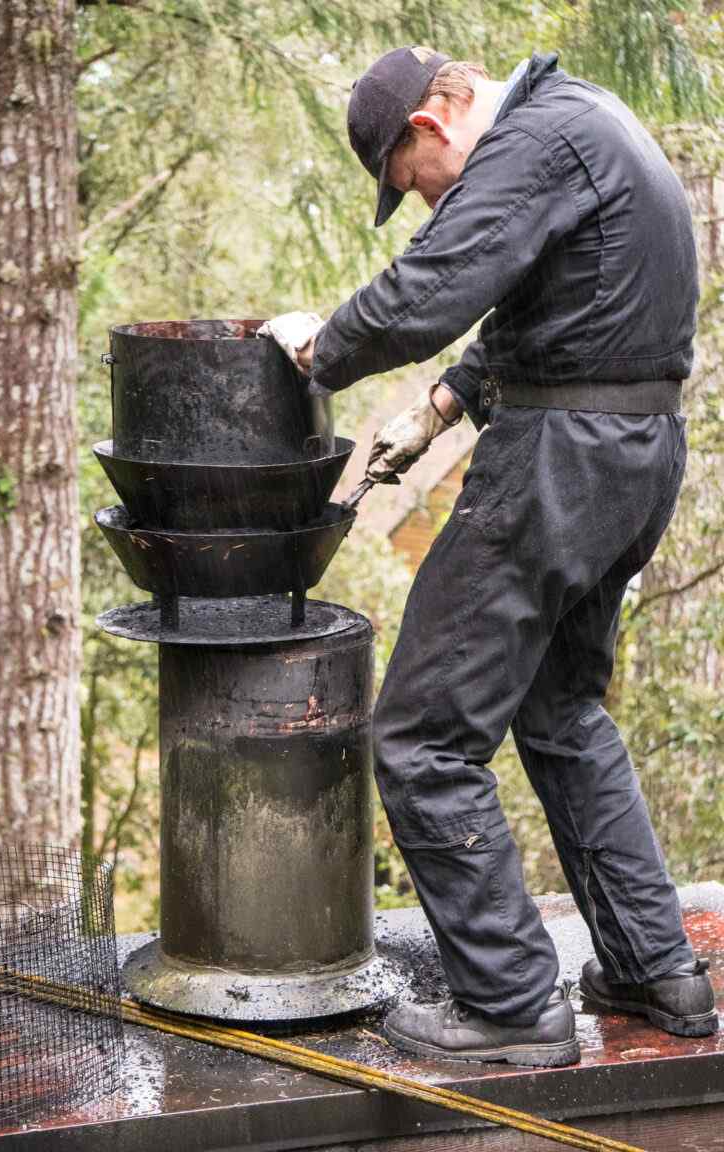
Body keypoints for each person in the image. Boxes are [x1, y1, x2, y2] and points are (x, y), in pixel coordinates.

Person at [259, 47, 718, 1067]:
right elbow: (557, 301)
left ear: (430, 125)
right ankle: (658, 970)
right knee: (560, 711)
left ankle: (510, 1006)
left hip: (558, 468)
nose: (421, 203)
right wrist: (443, 405)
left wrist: (319, 347)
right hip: (636, 454)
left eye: (410, 184)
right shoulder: (584, 119)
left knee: (422, 738)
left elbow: (436, 286)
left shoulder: (531, 141)